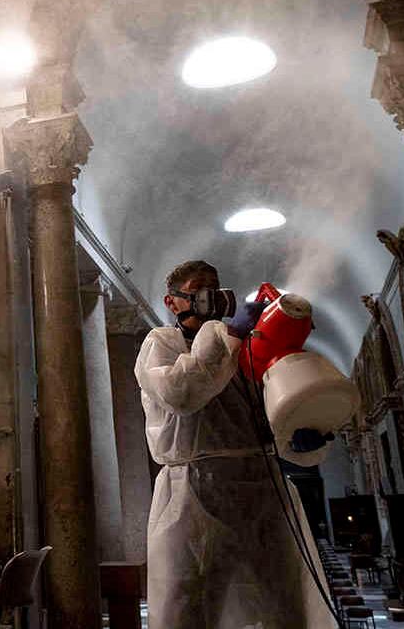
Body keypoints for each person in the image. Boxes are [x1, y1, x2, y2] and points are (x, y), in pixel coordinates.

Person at [134, 260, 334, 628]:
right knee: (190, 605)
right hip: (195, 494)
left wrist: (301, 435)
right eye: (198, 288)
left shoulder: (245, 350)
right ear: (171, 301)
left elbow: (271, 417)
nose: (210, 295)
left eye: (214, 286)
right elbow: (181, 392)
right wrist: (228, 335)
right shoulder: (161, 343)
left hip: (261, 488)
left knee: (280, 601)